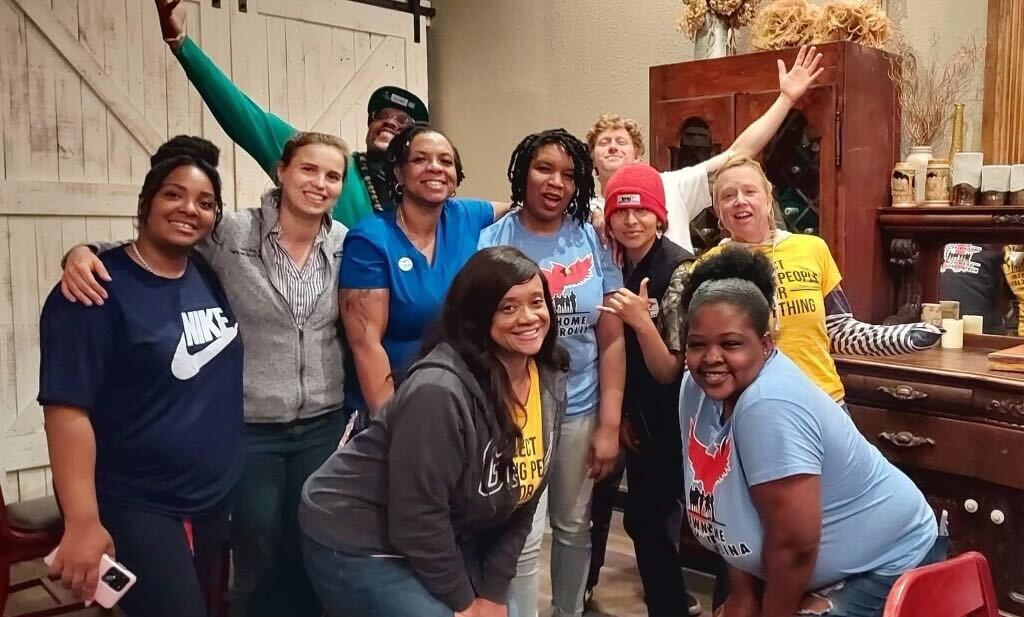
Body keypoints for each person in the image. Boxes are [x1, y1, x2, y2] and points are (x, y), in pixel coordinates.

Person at [59, 132, 351, 617]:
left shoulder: (344, 243)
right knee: (255, 549)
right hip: (250, 424)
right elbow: (156, 244)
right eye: (307, 169)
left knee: (309, 542)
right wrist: (82, 252)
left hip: (321, 420)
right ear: (281, 171)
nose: (318, 183)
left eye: (332, 175)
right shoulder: (231, 232)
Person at [299, 246, 568, 617]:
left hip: (441, 529)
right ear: (478, 315)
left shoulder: (549, 378)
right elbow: (418, 517)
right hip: (358, 532)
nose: (528, 317)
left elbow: (524, 500)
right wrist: (464, 602)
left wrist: (490, 594)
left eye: (536, 301)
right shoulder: (438, 390)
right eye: (507, 307)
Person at [678, 247, 945, 617]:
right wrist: (742, 593)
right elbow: (727, 504)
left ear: (766, 343)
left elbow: (794, 547)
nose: (711, 358)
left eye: (731, 343)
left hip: (889, 562)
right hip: (809, 566)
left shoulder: (770, 404)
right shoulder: (695, 390)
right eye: (697, 344)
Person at [39, 137, 243, 617]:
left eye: (205, 202)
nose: (189, 209)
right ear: (145, 203)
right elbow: (66, 411)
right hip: (139, 501)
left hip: (211, 498)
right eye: (174, 194)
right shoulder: (93, 289)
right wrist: (83, 522)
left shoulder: (205, 274)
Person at [479, 129, 626, 617]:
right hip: (515, 411)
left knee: (573, 526)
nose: (556, 182)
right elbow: (476, 329)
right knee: (520, 534)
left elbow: (610, 336)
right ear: (523, 171)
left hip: (581, 407)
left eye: (568, 174)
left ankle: (568, 612)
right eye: (544, 168)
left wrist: (608, 425)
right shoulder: (492, 239)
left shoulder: (592, 234)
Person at [154, 0, 427, 226]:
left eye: (403, 121)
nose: (390, 122)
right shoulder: (330, 167)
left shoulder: (423, 193)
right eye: (381, 115)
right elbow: (245, 117)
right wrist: (181, 44)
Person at [702, 154, 941, 404]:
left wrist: (900, 338)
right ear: (718, 210)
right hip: (757, 408)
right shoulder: (709, 267)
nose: (740, 201)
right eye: (728, 196)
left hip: (826, 401)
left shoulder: (812, 249)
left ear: (767, 199)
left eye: (750, 191)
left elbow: (839, 330)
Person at [586, 45, 825, 254]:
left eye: (621, 142)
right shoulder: (585, 210)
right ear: (593, 159)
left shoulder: (671, 184)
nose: (613, 147)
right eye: (605, 143)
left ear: (638, 157)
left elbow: (737, 153)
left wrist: (786, 98)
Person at [592, 163, 701, 616]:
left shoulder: (679, 269)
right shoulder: (613, 262)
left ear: (660, 216)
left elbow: (667, 370)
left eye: (642, 212)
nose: (631, 221)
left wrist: (639, 321)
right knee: (632, 517)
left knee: (652, 521)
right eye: (622, 211)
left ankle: (670, 606)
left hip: (670, 418)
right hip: (630, 413)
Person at [340, 123, 510, 414]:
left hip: (458, 398)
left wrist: (595, 210)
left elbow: (520, 207)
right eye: (420, 159)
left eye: (446, 161)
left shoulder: (465, 216)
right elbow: (365, 345)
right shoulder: (369, 239)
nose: (435, 168)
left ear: (456, 178)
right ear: (398, 173)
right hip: (396, 402)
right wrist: (390, 424)